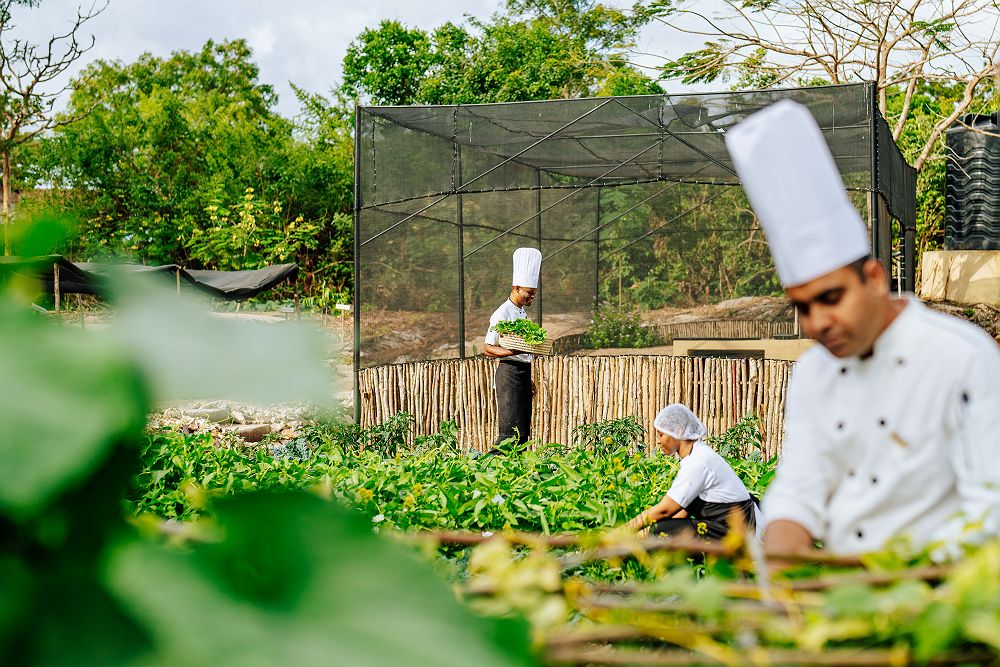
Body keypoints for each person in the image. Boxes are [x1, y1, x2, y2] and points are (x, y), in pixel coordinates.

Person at [724, 99, 1000, 557]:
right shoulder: (814, 372)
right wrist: (778, 562)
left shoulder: (963, 357)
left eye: (831, 298)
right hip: (842, 593)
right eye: (802, 307)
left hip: (943, 593)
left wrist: (893, 582)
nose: (817, 323)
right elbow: (798, 488)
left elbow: (991, 505)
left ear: (874, 279)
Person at [624, 404, 759, 541]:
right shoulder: (698, 454)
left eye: (661, 435)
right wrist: (639, 538)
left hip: (737, 536)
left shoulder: (698, 462)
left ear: (678, 431)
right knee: (663, 529)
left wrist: (621, 533)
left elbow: (664, 510)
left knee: (662, 531)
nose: (658, 441)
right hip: (735, 528)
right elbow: (682, 513)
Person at [483, 247, 541, 447]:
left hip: (522, 373)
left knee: (523, 434)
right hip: (509, 374)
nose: (532, 297)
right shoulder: (503, 313)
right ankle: (486, 469)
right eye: (529, 293)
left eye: (534, 293)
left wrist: (528, 378)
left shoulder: (521, 312)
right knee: (509, 435)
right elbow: (488, 348)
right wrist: (512, 352)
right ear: (516, 288)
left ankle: (521, 472)